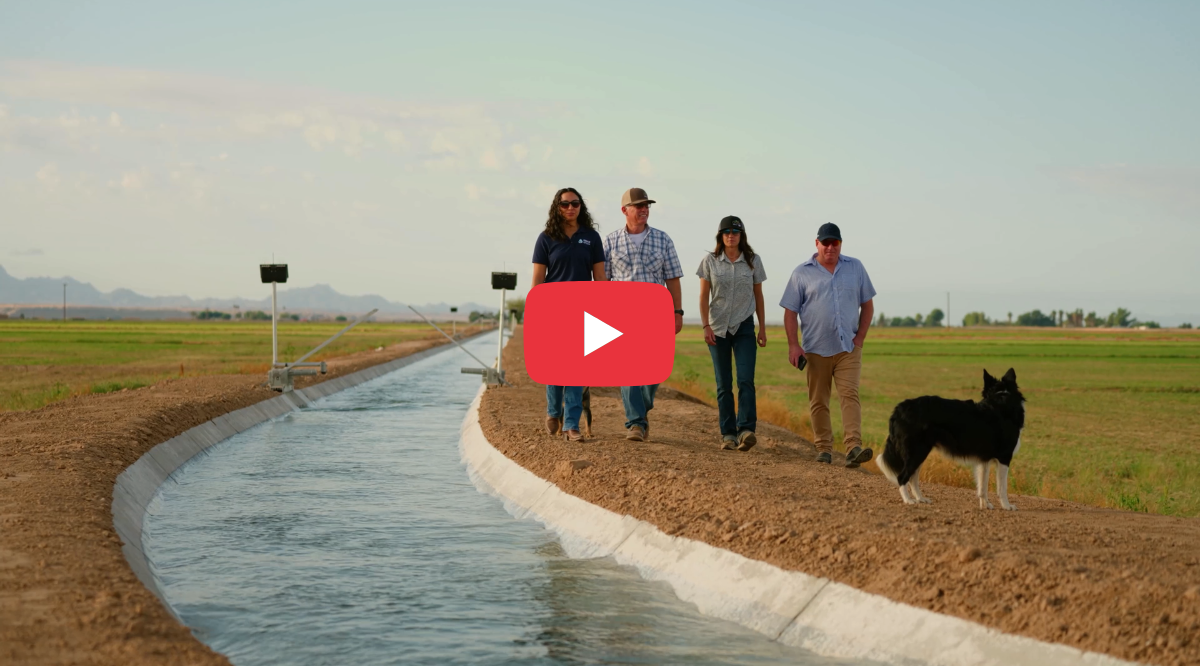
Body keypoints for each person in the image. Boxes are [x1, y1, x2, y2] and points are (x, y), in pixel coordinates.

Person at [779, 222, 876, 466]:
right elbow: (790, 311)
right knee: (819, 400)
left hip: (848, 348)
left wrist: (860, 338)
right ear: (817, 244)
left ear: (840, 244)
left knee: (849, 395)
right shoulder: (801, 273)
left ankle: (853, 447)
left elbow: (868, 304)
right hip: (815, 348)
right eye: (826, 243)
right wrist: (793, 345)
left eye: (835, 243)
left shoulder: (855, 268)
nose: (831, 247)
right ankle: (824, 449)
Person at [602, 187, 684, 442]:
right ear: (624, 210)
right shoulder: (611, 241)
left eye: (646, 205)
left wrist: (677, 312)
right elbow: (603, 279)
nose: (644, 210)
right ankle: (635, 423)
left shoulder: (663, 239)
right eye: (638, 206)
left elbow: (672, 278)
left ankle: (642, 408)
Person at [532, 187, 606, 441]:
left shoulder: (591, 237)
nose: (570, 208)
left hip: (584, 311)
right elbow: (538, 279)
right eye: (565, 204)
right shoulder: (546, 238)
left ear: (581, 207)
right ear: (557, 208)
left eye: (575, 204)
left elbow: (600, 277)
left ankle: (571, 425)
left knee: (576, 370)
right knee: (555, 368)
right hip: (553, 311)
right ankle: (553, 410)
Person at [697, 216, 767, 451]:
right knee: (723, 383)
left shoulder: (753, 260)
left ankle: (746, 429)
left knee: (746, 379)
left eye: (735, 232)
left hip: (745, 326)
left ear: (741, 235)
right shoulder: (710, 261)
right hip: (717, 329)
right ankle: (728, 434)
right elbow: (703, 296)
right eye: (726, 232)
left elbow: (759, 295)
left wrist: (763, 328)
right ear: (721, 236)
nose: (731, 235)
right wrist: (705, 326)